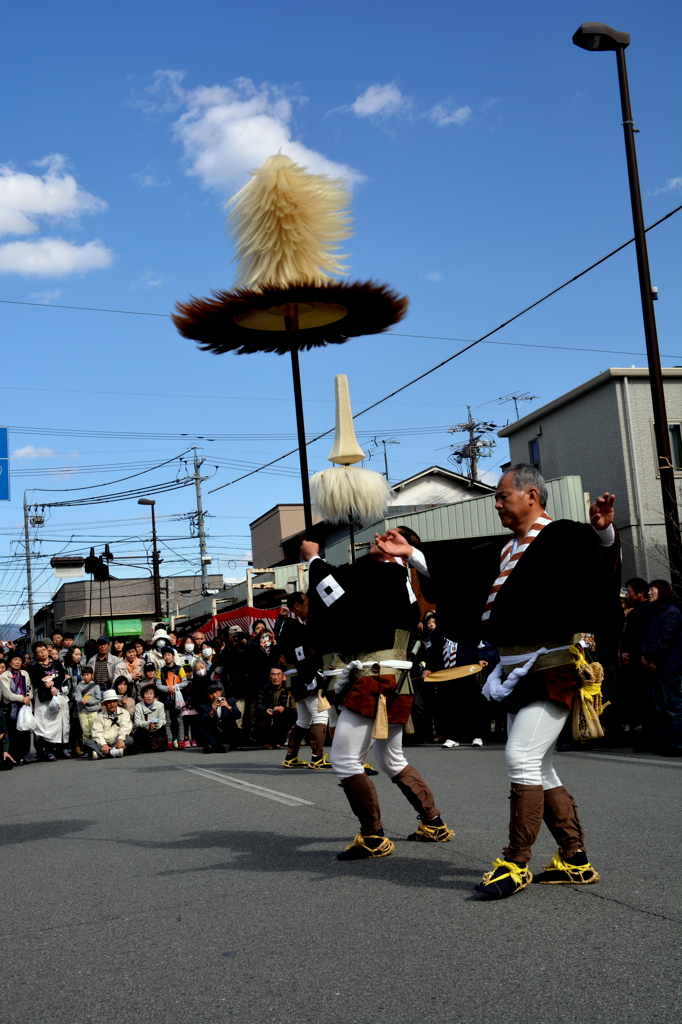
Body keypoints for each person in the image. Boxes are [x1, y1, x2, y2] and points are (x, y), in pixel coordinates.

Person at [404, 464, 622, 898]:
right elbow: (456, 575)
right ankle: (574, 859)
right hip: (515, 672)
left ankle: (515, 861)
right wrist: (409, 555)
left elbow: (596, 571)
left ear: (531, 496)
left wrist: (602, 534)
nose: (497, 503)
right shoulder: (503, 550)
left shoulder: (561, 535)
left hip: (552, 666)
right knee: (539, 766)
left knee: (521, 758)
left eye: (503, 495)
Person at [305, 534, 455, 860]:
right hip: (395, 677)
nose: (377, 538)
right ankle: (433, 822)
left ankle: (373, 837)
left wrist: (314, 560)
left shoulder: (385, 574)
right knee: (390, 758)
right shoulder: (397, 580)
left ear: (400, 552)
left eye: (389, 538)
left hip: (376, 677)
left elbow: (332, 594)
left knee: (344, 759)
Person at [278, 591, 329, 770]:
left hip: (294, 677)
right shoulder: (293, 626)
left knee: (303, 719)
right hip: (304, 675)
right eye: (306, 602)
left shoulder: (285, 624)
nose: (309, 605)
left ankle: (291, 756)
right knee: (320, 715)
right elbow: (301, 653)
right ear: (297, 606)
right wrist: (311, 675)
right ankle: (317, 757)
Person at [642, 579, 682, 756]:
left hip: (670, 666)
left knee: (673, 707)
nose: (649, 592)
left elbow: (666, 639)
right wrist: (645, 656)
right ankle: (670, 743)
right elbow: (646, 637)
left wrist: (649, 656)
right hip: (656, 666)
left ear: (662, 590)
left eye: (652, 589)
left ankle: (678, 744)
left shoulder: (672, 612)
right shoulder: (654, 613)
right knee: (661, 707)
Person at [618, 577, 651, 744]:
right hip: (630, 663)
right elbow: (626, 638)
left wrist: (643, 656)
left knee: (646, 701)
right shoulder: (633, 613)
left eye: (630, 591)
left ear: (641, 592)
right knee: (634, 699)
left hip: (643, 663)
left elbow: (645, 637)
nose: (628, 595)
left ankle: (648, 736)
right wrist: (622, 654)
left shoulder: (649, 611)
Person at [0, 651, 33, 765]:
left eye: (20, 660)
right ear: (9, 661)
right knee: (13, 731)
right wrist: (21, 698)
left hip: (24, 706)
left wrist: (28, 697)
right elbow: (7, 694)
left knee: (25, 730)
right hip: (12, 707)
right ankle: (14, 755)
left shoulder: (24, 673)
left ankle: (25, 754)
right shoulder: (4, 676)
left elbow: (29, 688)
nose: (18, 662)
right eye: (15, 659)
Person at [85, 690, 134, 759]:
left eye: (114, 701)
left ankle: (100, 754)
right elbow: (97, 732)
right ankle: (113, 752)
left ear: (117, 702)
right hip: (103, 743)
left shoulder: (124, 712)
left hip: (118, 742)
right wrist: (103, 744)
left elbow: (125, 727)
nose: (112, 704)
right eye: (109, 702)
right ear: (104, 704)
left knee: (130, 740)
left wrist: (120, 739)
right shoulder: (99, 716)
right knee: (87, 742)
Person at [156, 647, 188, 749]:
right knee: (168, 720)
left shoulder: (180, 668)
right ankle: (169, 741)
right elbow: (158, 685)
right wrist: (167, 689)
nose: (167, 657)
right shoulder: (161, 670)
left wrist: (174, 687)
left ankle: (181, 741)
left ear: (173, 656)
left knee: (179, 719)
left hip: (177, 697)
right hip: (166, 698)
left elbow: (185, 682)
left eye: (169, 654)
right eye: (165, 655)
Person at [254, 666, 293, 747]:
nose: (276, 677)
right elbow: (258, 704)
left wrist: (283, 708)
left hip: (285, 715)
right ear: (269, 677)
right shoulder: (264, 688)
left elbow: (294, 704)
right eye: (273, 674)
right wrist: (265, 710)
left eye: (278, 674)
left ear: (283, 676)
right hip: (268, 715)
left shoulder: (289, 688)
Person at [198, 682, 241, 753]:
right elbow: (203, 722)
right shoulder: (204, 706)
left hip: (228, 732)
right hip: (214, 734)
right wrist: (212, 712)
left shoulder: (231, 702)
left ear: (220, 692)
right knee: (202, 730)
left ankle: (215, 747)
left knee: (239, 732)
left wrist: (228, 707)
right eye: (211, 693)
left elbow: (238, 715)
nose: (214, 696)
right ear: (207, 695)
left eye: (216, 692)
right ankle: (221, 746)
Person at [132, 683, 167, 753]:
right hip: (144, 729)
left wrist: (156, 725)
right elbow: (137, 722)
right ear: (143, 696)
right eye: (146, 694)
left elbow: (163, 720)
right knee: (139, 730)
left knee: (163, 728)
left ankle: (158, 746)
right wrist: (148, 724)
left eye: (151, 693)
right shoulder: (138, 706)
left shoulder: (160, 705)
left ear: (154, 695)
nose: (149, 696)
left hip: (156, 728)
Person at [74, 665, 102, 750]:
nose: (85, 677)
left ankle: (94, 748)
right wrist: (81, 701)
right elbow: (77, 697)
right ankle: (86, 749)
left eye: (88, 675)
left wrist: (88, 702)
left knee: (93, 731)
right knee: (85, 731)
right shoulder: (79, 686)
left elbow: (98, 699)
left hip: (93, 711)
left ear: (92, 675)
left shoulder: (96, 686)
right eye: (84, 675)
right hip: (82, 712)